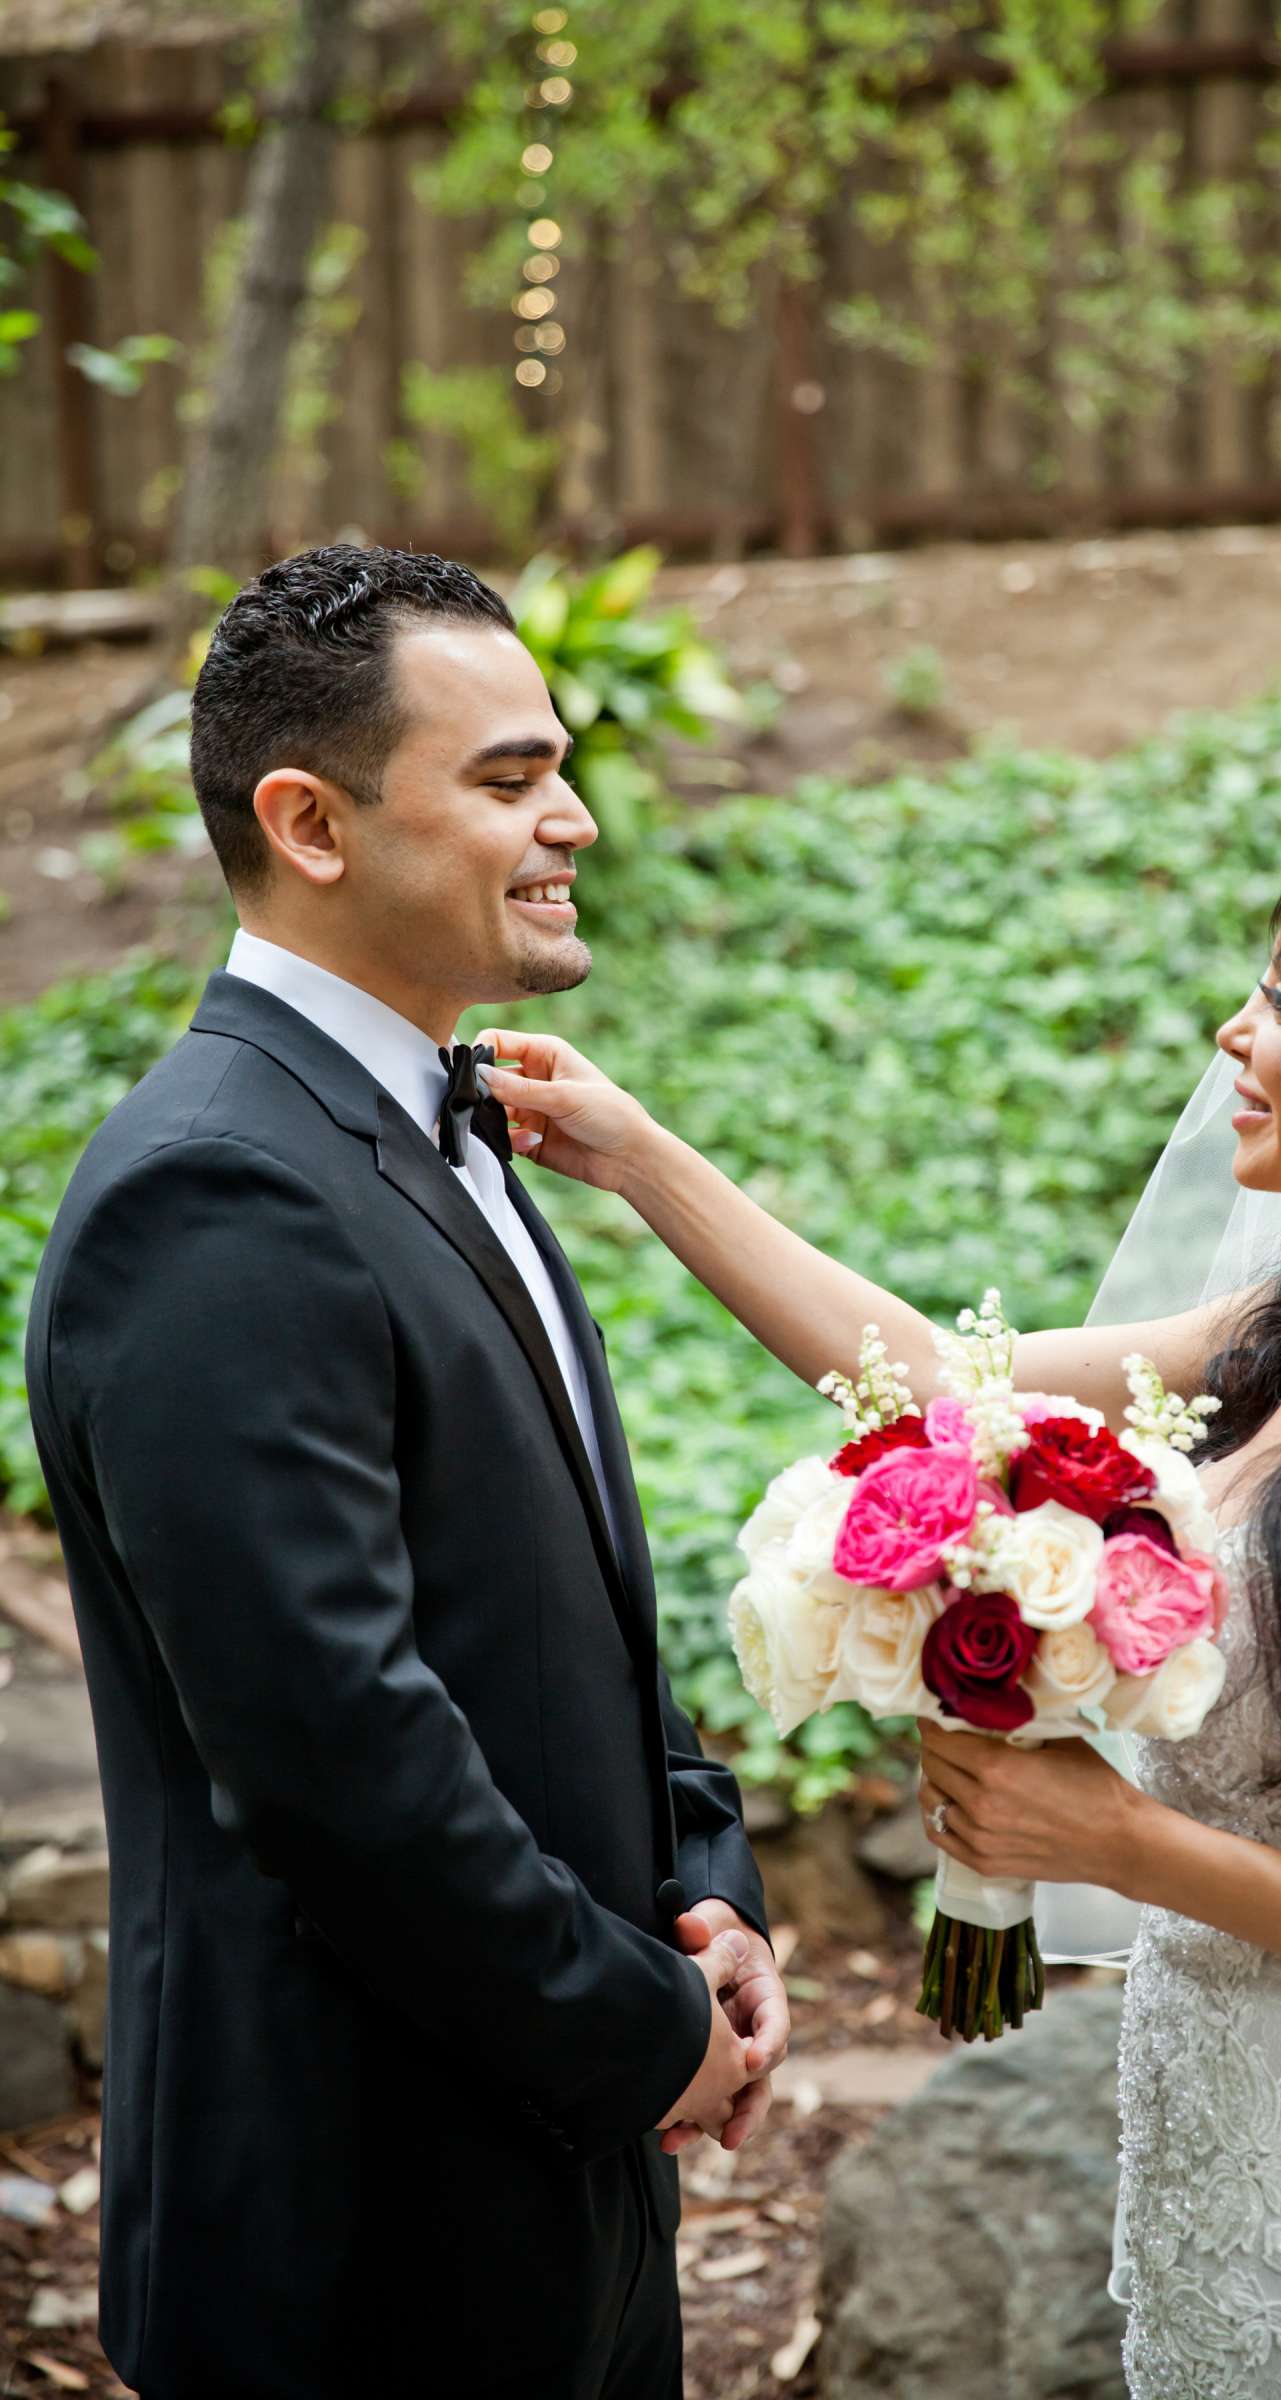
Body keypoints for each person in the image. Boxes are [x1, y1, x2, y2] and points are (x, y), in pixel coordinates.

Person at [478, 741, 1281, 2397]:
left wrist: (1120, 1840)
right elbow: (938, 1377)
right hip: (1230, 2159)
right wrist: (636, 1155)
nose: (1235, 1031)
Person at [25, 544, 786, 2400]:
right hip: (366, 2233)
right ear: (312, 822)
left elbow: (568, 1596)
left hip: (563, 2180)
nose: (576, 821)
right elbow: (336, 1756)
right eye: (512, 779)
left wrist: (704, 1881)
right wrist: (637, 2034)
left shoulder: (449, 1115)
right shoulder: (214, 1194)